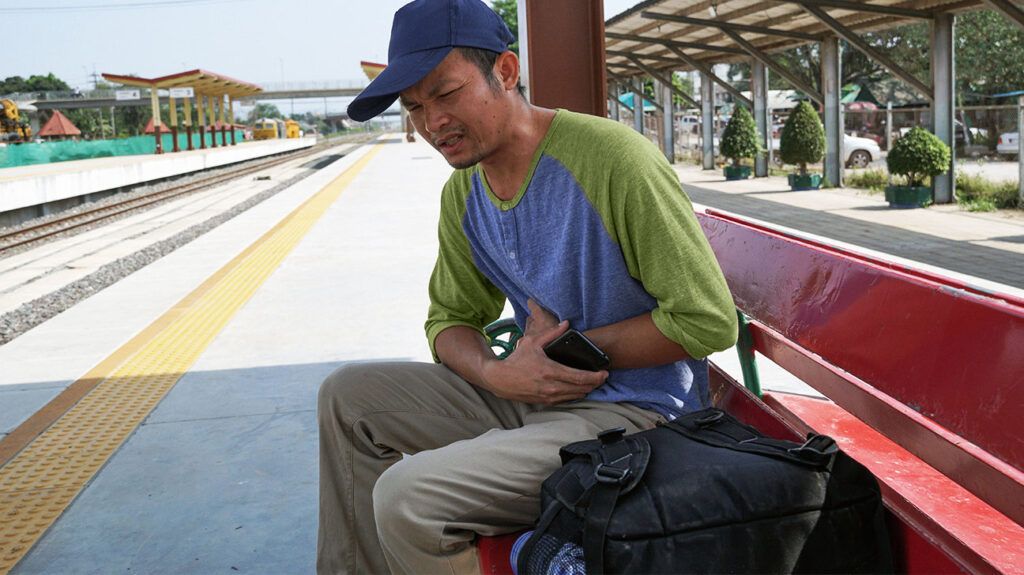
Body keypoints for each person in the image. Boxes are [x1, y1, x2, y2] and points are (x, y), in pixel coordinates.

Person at [317, 0, 738, 573]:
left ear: (507, 72)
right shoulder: (464, 193)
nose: (432, 121)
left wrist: (562, 354)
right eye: (414, 107)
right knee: (348, 397)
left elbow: (707, 321)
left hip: (636, 417)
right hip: (527, 398)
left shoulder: (613, 160)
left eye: (446, 93)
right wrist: (499, 372)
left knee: (409, 498)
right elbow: (448, 320)